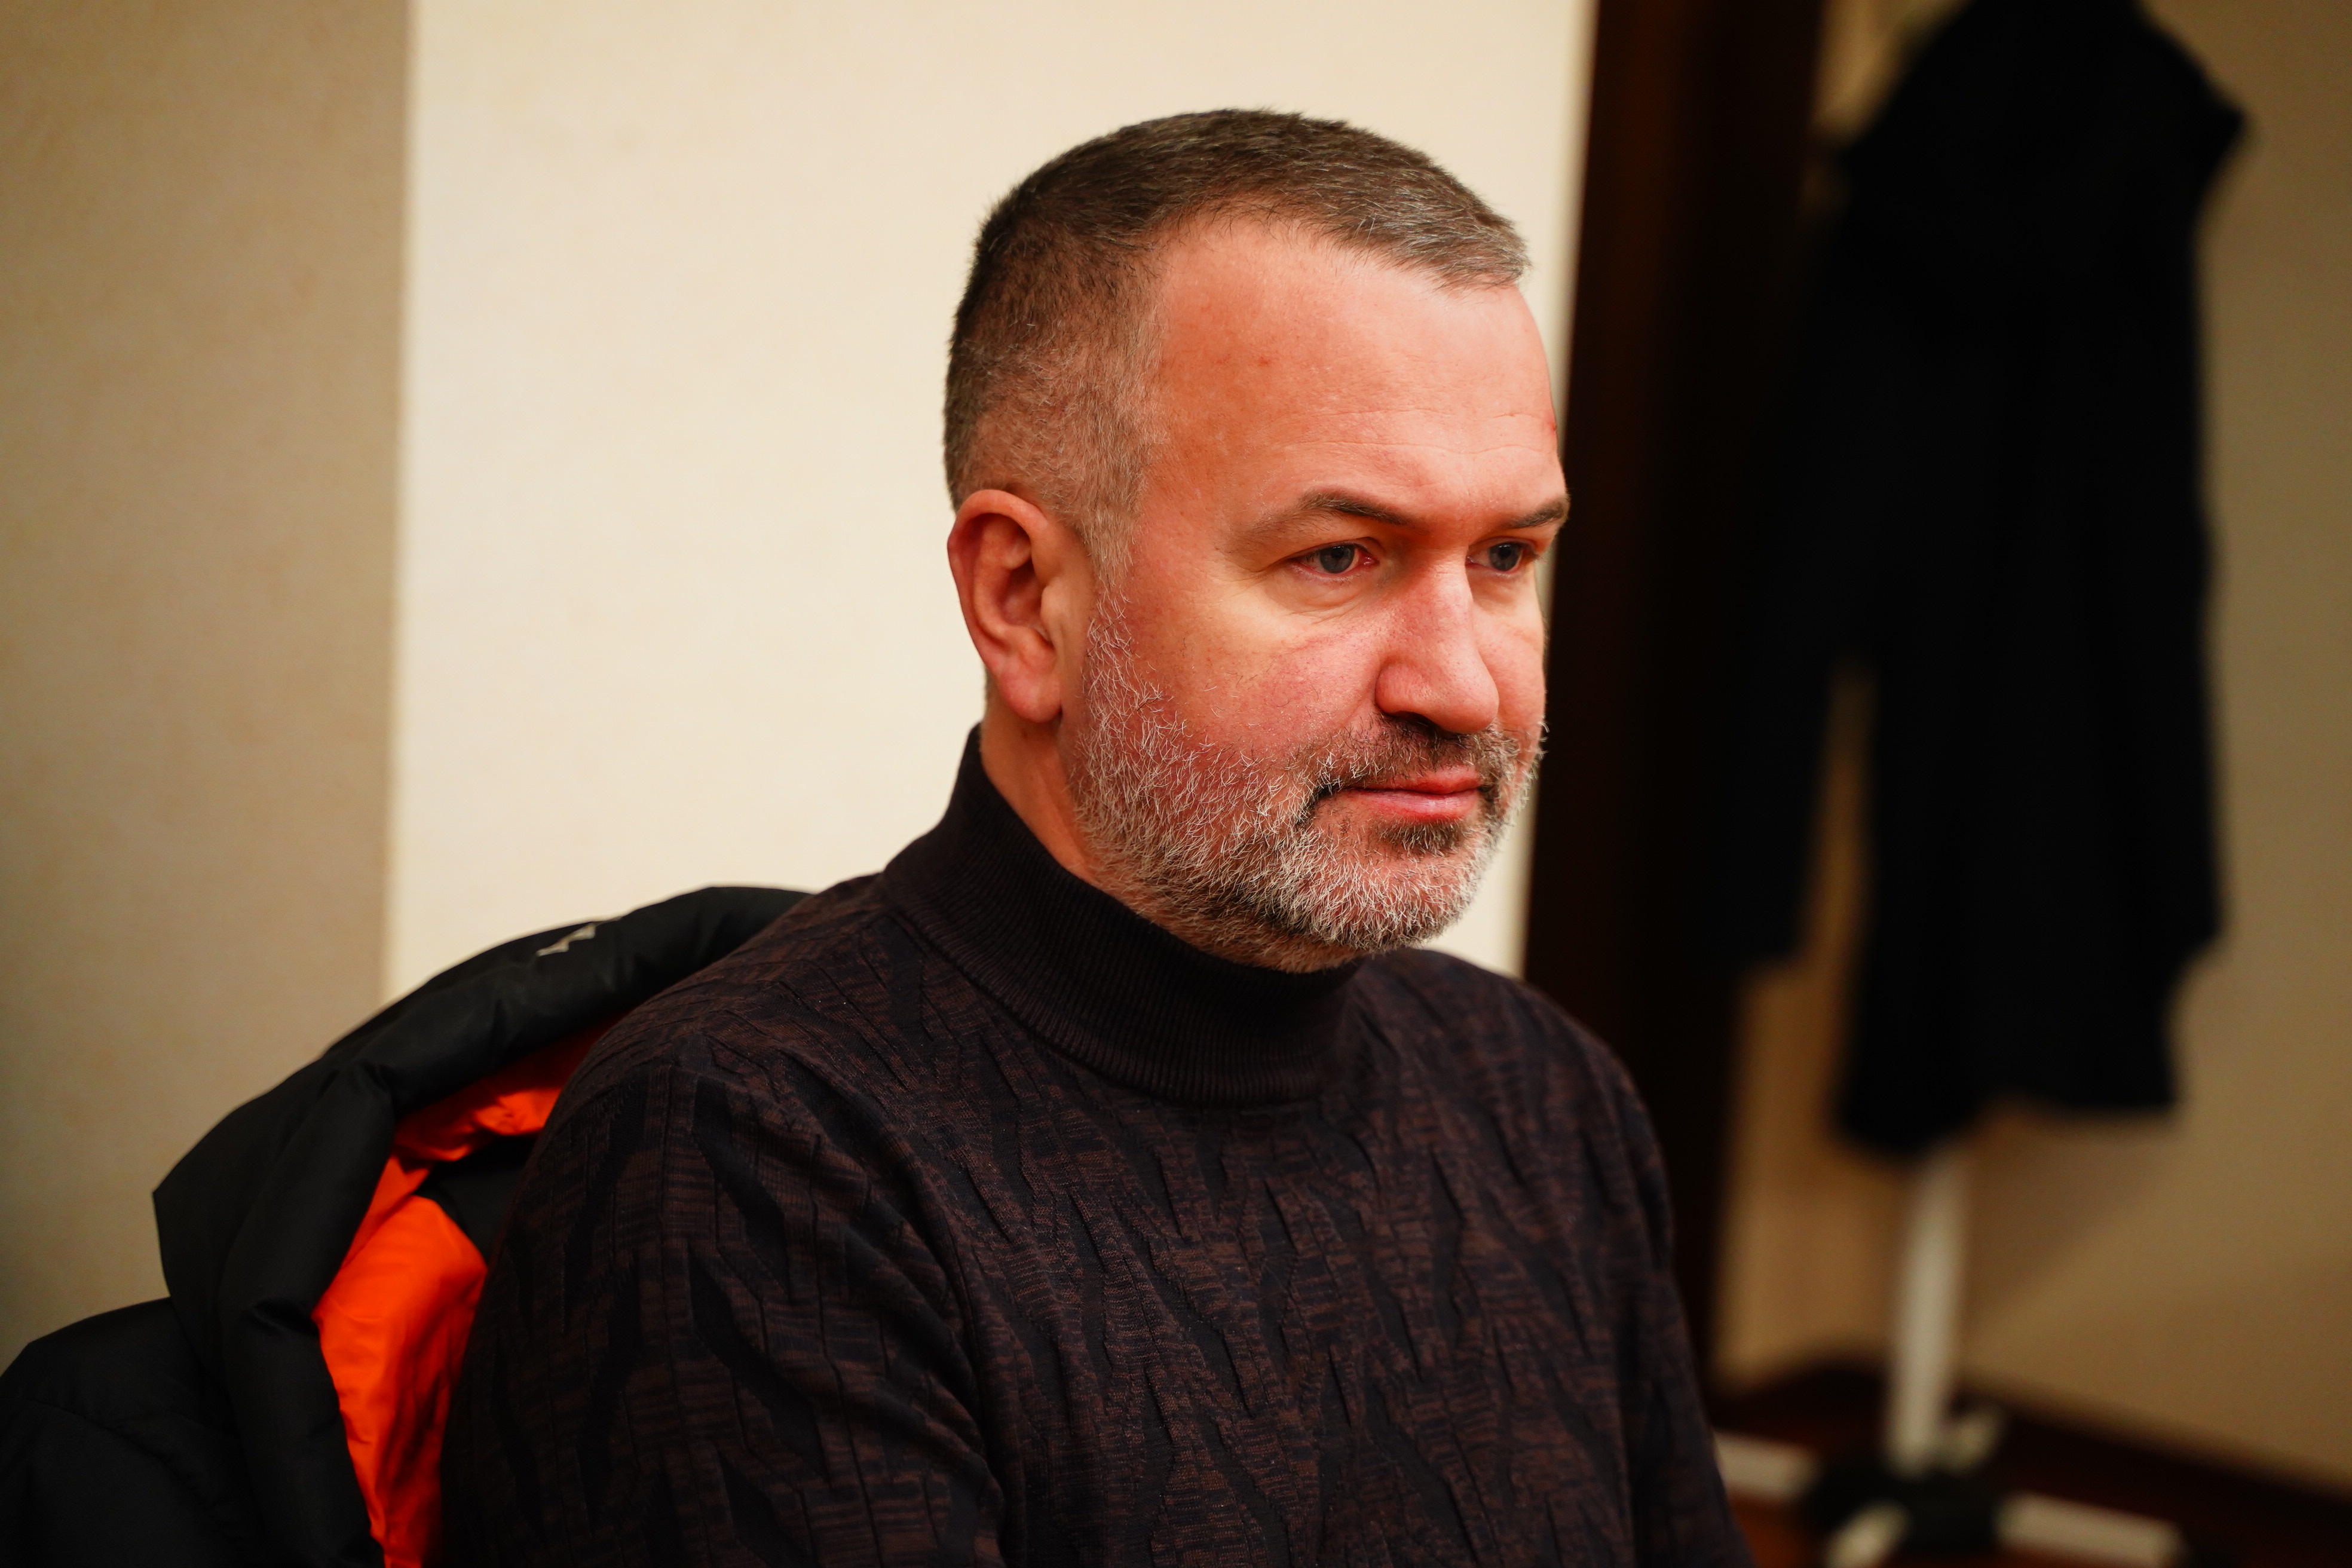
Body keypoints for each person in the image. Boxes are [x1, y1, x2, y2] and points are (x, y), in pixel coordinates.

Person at [442, 109, 1749, 1567]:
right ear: (1024, 600)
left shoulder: (1541, 1096)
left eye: (1506, 557)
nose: (1461, 686)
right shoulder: (754, 1162)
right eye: (1338, 557)